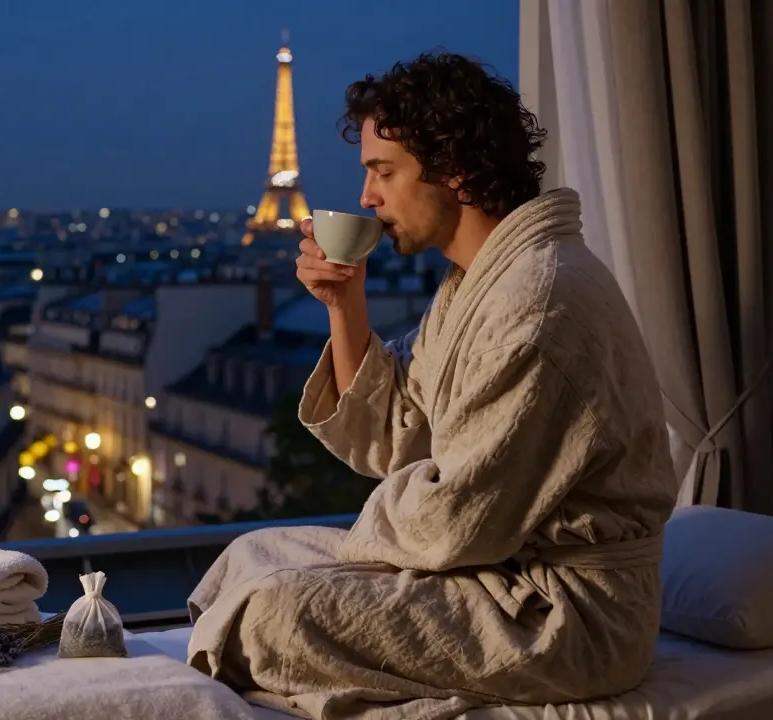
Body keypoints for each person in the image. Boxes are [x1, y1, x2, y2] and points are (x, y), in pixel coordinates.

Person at [185, 52, 678, 720]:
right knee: (252, 554)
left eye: (383, 171)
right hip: (494, 573)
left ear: (456, 169)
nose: (366, 197)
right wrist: (344, 305)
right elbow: (397, 438)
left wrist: (354, 552)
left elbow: (454, 518)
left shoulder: (539, 303)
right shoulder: (479, 282)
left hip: (563, 616)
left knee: (278, 610)